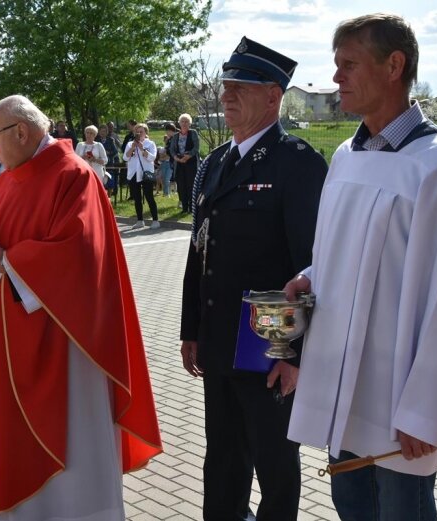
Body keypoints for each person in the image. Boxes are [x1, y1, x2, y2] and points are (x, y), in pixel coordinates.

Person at [284, 14, 437, 520]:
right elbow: (342, 249)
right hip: (342, 380)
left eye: (349, 65)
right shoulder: (348, 155)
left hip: (399, 398)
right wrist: (312, 275)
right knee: (350, 505)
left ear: (395, 65)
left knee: (401, 511)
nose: (336, 78)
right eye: (336, 65)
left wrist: (427, 410)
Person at [0, 94, 162, 520]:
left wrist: (9, 259)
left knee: (71, 456)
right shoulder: (8, 179)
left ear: (22, 132)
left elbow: (81, 252)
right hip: (10, 336)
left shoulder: (73, 176)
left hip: (64, 342)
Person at [181, 37, 327, 521]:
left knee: (274, 462)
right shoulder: (217, 161)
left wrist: (292, 353)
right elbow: (199, 250)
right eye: (225, 85)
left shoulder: (297, 162)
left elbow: (309, 264)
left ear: (273, 96)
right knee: (222, 456)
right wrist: (190, 330)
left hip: (267, 339)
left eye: (240, 86)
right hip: (221, 337)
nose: (227, 95)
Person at [123, 123, 160, 229]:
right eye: (137, 132)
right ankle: (140, 220)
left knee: (149, 197)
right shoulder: (130, 144)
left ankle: (155, 220)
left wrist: (142, 149)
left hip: (146, 173)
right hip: (134, 173)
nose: (139, 134)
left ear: (146, 133)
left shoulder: (150, 143)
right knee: (137, 198)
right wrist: (133, 148)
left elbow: (152, 158)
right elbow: (125, 158)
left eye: (141, 132)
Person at [170, 114, 200, 213]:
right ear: (179, 123)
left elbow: (196, 148)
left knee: (190, 185)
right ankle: (184, 207)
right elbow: (172, 150)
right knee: (181, 185)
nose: (184, 123)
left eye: (186, 121)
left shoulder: (193, 133)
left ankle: (192, 208)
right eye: (182, 121)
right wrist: (176, 158)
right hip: (179, 163)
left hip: (191, 163)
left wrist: (188, 156)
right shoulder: (175, 136)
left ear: (190, 123)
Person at [159, 122, 176, 197]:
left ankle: (167, 193)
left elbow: (171, 153)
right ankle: (166, 193)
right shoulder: (169, 140)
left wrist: (166, 156)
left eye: (167, 131)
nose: (166, 132)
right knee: (164, 179)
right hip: (166, 162)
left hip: (172, 162)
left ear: (170, 130)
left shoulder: (175, 138)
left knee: (167, 179)